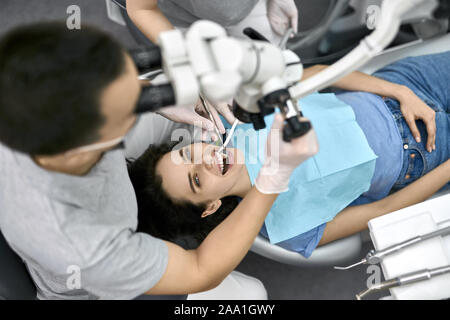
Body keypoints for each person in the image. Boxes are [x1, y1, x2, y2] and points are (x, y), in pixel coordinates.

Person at [0, 22, 318, 299]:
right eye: (129, 107)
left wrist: (169, 91)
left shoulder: (31, 86)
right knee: (252, 295)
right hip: (86, 281)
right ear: (88, 146)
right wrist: (274, 176)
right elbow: (200, 270)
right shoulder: (85, 247)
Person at [127, 52, 450, 257]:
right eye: (196, 179)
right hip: (426, 153)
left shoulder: (232, 115)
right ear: (209, 207)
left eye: (187, 154)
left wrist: (398, 91)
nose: (205, 159)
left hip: (403, 83)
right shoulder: (287, 229)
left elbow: (318, 74)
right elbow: (385, 208)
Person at [126, 0, 298, 44]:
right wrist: (181, 57)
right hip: (179, 19)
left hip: (250, 8)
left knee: (269, 63)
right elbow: (142, 8)